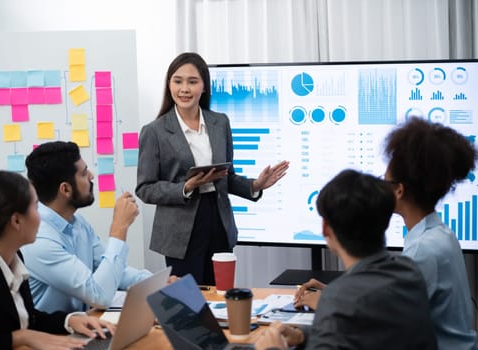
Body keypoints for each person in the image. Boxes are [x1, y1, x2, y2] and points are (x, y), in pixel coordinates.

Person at [136, 52, 289, 284]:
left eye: (192, 81)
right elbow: (145, 188)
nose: (184, 89)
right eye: (177, 81)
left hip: (218, 221)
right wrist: (185, 187)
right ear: (169, 85)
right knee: (188, 302)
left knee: (221, 295)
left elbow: (227, 177)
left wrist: (255, 185)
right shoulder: (154, 131)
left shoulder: (220, 122)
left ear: (204, 87)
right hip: (181, 230)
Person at [255, 169, 437, 350]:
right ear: (386, 222)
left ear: (326, 228)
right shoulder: (409, 272)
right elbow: (371, 335)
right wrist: (303, 335)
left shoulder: (339, 299)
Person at [0, 171, 113, 349]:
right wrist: (20, 337)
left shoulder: (13, 257)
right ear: (16, 221)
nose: (40, 217)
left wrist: (70, 320)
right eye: (36, 207)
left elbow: (28, 319)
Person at [22, 141, 152, 313]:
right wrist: (119, 227)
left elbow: (114, 272)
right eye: (84, 174)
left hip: (81, 326)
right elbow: (99, 296)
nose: (91, 176)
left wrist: (156, 283)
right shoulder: (38, 239)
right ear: (65, 189)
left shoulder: (78, 223)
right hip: (54, 335)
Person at [382, 117, 477, 349]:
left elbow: (383, 322)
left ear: (399, 190)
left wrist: (329, 303)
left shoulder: (422, 249)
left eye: (383, 182)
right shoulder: (439, 233)